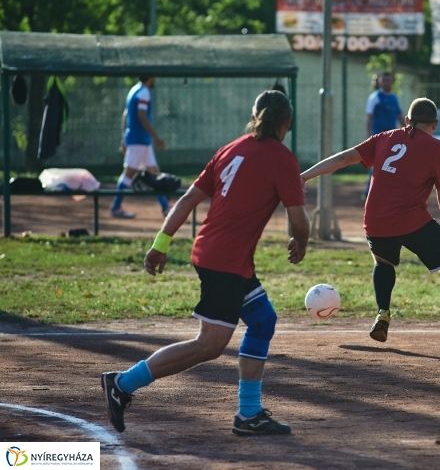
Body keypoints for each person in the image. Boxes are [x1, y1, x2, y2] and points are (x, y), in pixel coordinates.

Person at [102, 90, 310, 436]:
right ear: (287, 122)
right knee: (210, 345)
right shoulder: (282, 158)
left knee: (262, 322)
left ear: (254, 114)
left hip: (220, 255)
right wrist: (300, 243)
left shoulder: (231, 149)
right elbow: (299, 220)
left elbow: (187, 199)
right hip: (225, 261)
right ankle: (122, 383)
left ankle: (249, 414)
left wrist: (160, 244)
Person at [301, 97, 440, 354]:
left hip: (376, 219)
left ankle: (383, 312)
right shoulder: (436, 147)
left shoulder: (384, 138)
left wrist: (305, 175)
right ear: (435, 124)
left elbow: (344, 158)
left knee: (383, 262)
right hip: (412, 221)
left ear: (408, 120)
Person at [110, 77, 170, 219]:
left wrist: (124, 138)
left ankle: (166, 207)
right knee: (129, 173)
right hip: (139, 139)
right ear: (150, 78)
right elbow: (142, 116)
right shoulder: (144, 92)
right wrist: (156, 137)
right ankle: (116, 207)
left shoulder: (134, 90)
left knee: (154, 172)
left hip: (139, 139)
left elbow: (126, 115)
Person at [363, 72, 405, 197]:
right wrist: (369, 136)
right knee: (377, 163)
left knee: (392, 163)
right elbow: (369, 118)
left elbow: (400, 116)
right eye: (384, 80)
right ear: (379, 82)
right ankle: (368, 191)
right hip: (378, 136)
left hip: (392, 137)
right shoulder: (375, 97)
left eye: (389, 80)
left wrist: (408, 131)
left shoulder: (394, 98)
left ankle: (388, 190)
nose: (387, 82)